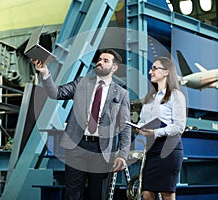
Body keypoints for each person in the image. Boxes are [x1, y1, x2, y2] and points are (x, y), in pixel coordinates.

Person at [32, 49, 131, 200]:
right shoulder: (82, 82)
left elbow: (125, 127)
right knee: (73, 194)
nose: (100, 62)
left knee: (98, 195)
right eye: (99, 59)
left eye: (105, 61)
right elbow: (56, 93)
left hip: (102, 150)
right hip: (77, 146)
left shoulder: (121, 94)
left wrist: (123, 155)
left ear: (114, 67)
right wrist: (45, 73)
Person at [136, 56, 186, 200]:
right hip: (152, 149)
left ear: (166, 72)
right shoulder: (149, 98)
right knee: (147, 194)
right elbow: (142, 121)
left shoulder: (176, 95)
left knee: (166, 193)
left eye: (154, 68)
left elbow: (179, 126)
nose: (151, 72)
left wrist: (155, 132)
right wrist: (138, 127)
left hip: (169, 148)